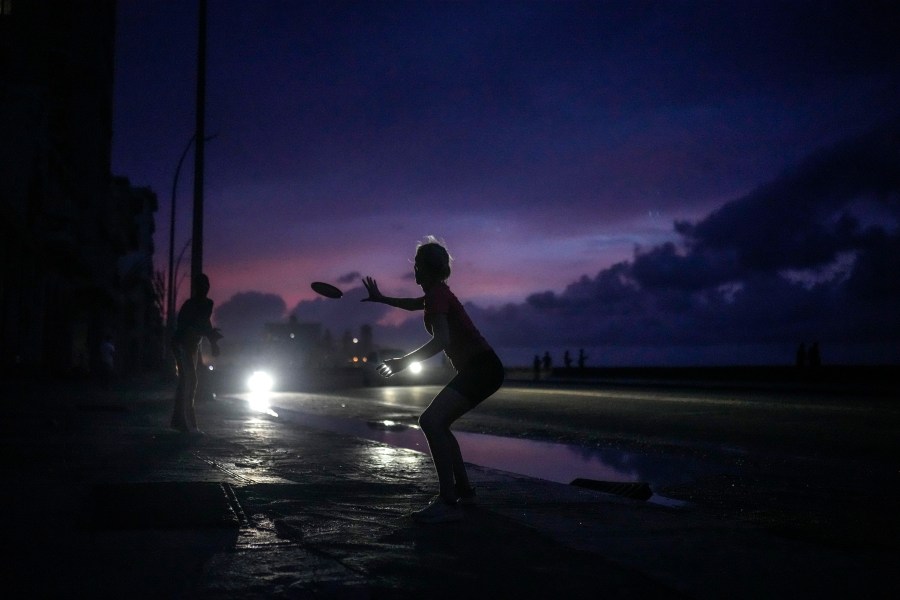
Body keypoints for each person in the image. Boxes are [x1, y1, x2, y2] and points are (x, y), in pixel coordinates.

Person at [362, 237, 504, 523]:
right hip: (482, 368)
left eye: (416, 266)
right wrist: (383, 299)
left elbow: (441, 340)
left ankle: (447, 500)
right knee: (440, 423)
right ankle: (463, 491)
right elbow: (415, 304)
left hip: (482, 369)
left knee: (430, 421)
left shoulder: (437, 295)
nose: (413, 271)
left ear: (425, 269)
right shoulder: (436, 294)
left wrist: (403, 362)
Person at [171, 273, 222, 434]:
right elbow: (189, 327)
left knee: (190, 382)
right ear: (196, 288)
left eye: (206, 286)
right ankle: (185, 423)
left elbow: (205, 325)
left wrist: (213, 342)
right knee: (188, 381)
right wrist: (209, 336)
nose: (204, 289)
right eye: (201, 286)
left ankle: (183, 422)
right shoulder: (190, 305)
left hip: (193, 345)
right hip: (182, 344)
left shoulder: (208, 304)